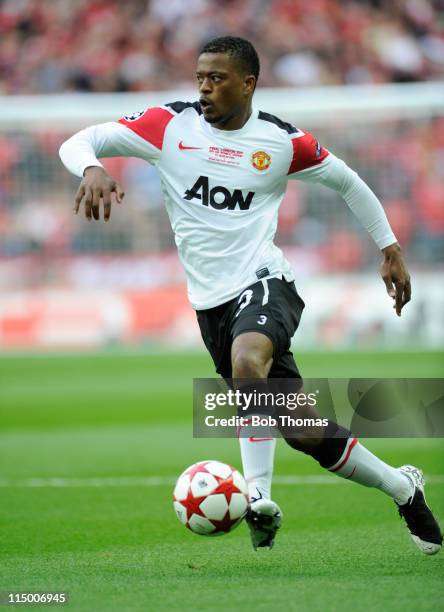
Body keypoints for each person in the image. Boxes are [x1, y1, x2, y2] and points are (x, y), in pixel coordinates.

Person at [59, 36, 442, 554]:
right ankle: (403, 487)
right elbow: (77, 140)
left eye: (216, 79)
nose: (203, 89)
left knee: (247, 365)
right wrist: (92, 167)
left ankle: (258, 494)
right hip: (210, 305)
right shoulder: (168, 126)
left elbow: (350, 183)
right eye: (199, 78)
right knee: (302, 431)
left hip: (266, 282)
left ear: (248, 84)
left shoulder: (281, 142)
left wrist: (390, 248)